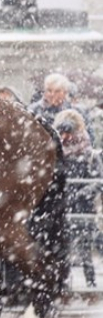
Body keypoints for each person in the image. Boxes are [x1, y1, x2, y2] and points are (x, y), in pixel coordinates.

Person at [54, 108, 103, 288]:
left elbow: (98, 180)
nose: (66, 136)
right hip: (61, 205)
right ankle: (63, 282)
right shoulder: (54, 150)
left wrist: (79, 193)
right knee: (61, 247)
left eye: (69, 131)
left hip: (83, 205)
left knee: (84, 246)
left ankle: (90, 282)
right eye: (62, 131)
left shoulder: (88, 153)